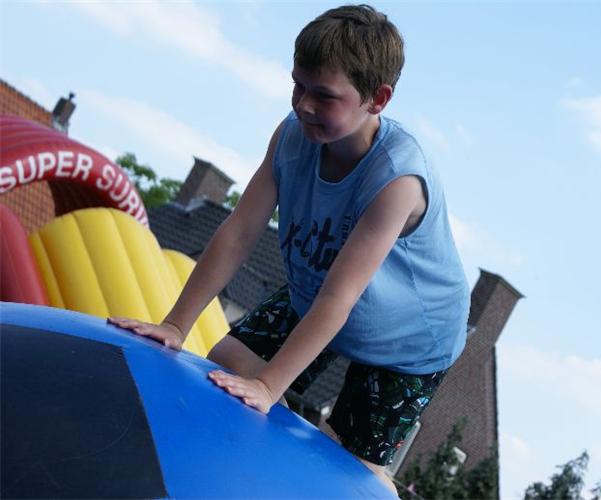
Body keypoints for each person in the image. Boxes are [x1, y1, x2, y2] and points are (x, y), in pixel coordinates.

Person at [109, 4, 469, 494]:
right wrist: (175, 325)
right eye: (298, 85)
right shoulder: (293, 137)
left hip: (407, 340)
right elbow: (240, 231)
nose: (304, 105)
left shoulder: (397, 179)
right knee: (228, 358)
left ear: (378, 99)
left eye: (324, 95)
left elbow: (341, 297)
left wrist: (268, 386)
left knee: (350, 464)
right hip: (320, 294)